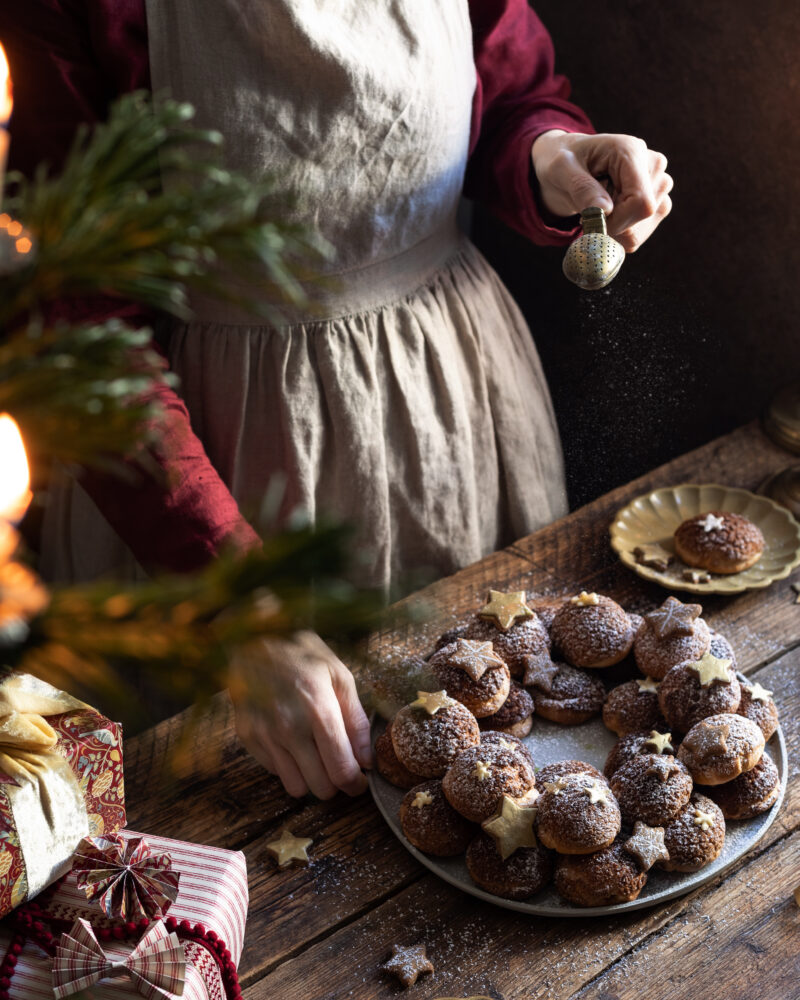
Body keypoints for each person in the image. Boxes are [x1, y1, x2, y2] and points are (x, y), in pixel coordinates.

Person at [2, 0, 672, 802]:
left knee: (492, 763)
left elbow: (510, 95)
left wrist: (550, 154)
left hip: (450, 410)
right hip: (207, 463)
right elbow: (76, 325)